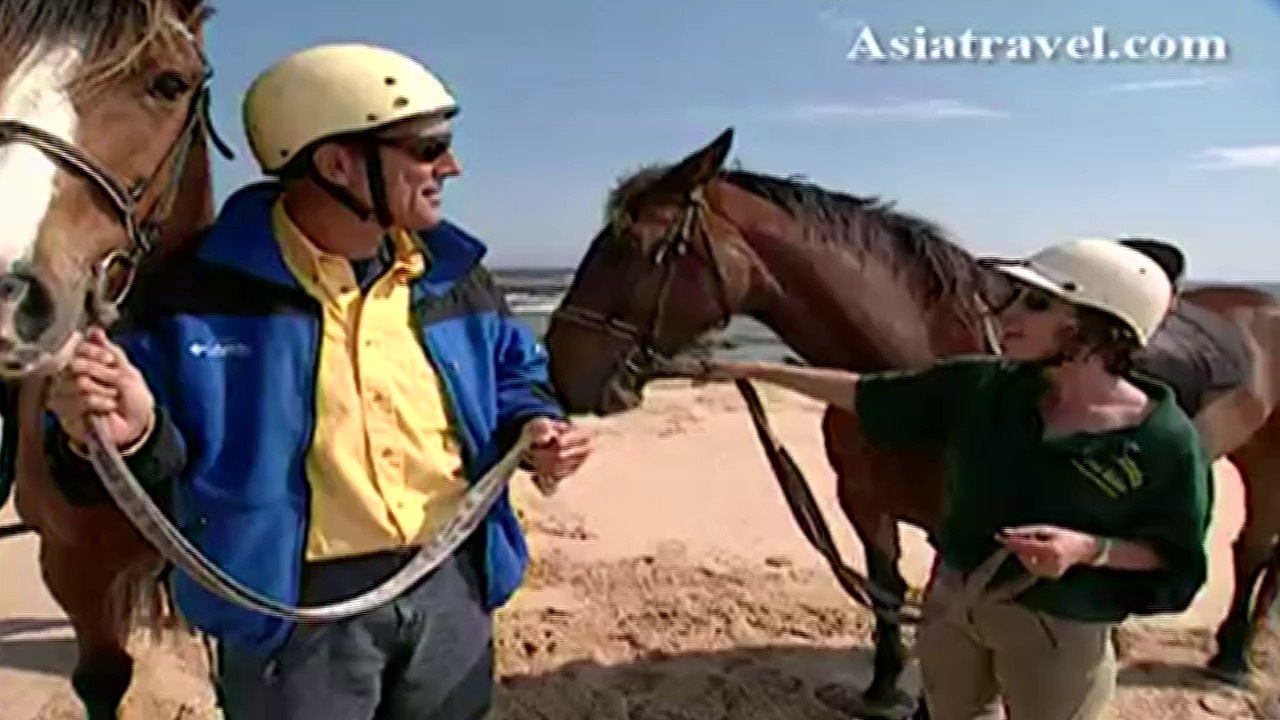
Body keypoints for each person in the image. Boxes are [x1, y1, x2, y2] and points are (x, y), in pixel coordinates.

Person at [41, 43, 591, 720]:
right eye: (426, 147)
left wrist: (531, 426)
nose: (451, 166)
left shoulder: (456, 273)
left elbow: (516, 370)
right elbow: (99, 475)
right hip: (294, 616)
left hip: (454, 587)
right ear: (337, 164)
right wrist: (129, 434)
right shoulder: (192, 294)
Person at [695, 237, 1212, 719]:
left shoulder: (1162, 440)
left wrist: (1088, 549)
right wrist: (759, 370)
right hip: (952, 603)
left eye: (1036, 304)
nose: (1007, 315)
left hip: (1059, 625)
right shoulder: (982, 384)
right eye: (1014, 297)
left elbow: (1175, 554)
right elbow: (869, 393)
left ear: (1102, 327)